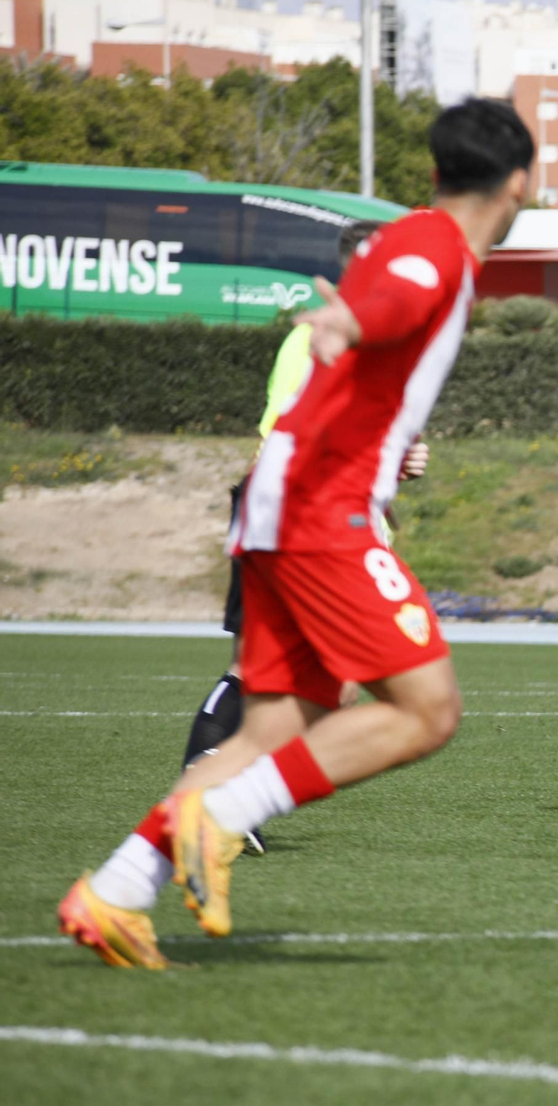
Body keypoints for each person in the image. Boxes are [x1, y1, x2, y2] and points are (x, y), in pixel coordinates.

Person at [57, 97, 535, 969]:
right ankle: (224, 819)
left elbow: (386, 305)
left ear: (433, 173)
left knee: (268, 733)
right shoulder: (436, 250)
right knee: (427, 712)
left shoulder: (404, 235)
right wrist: (354, 319)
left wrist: (356, 323)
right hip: (325, 504)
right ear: (521, 183)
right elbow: (394, 304)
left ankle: (115, 892)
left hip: (282, 500)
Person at [179, 220, 432, 857]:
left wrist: (394, 463)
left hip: (323, 514)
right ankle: (217, 799)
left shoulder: (371, 337)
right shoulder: (316, 336)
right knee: (322, 677)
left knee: (320, 679)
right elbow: (285, 437)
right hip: (298, 518)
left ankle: (215, 803)